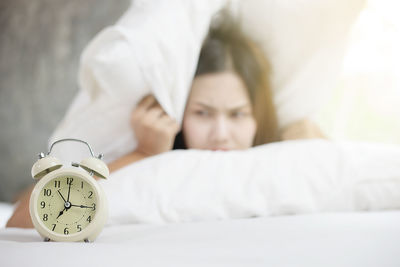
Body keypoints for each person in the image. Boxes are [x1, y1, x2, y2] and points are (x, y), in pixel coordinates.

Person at [6, 16, 325, 228]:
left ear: (259, 116)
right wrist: (143, 154)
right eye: (202, 113)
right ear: (179, 113)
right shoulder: (158, 162)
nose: (221, 134)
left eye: (238, 114)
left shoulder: (284, 159)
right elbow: (21, 219)